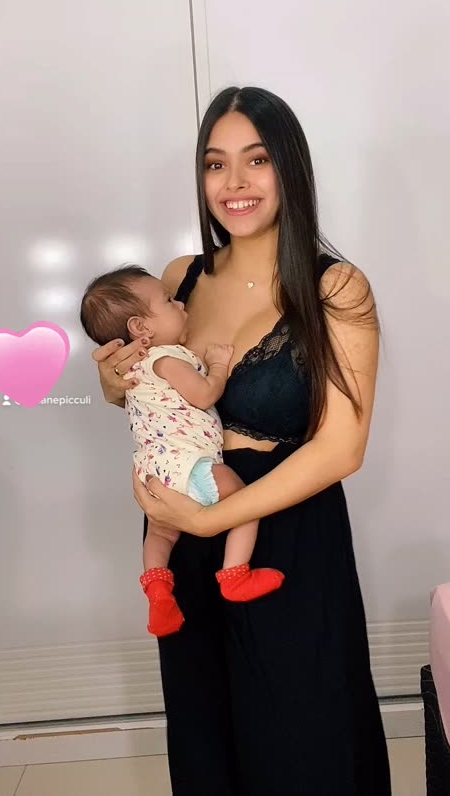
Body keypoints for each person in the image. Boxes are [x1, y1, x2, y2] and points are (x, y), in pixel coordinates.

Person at [93, 85, 391, 795]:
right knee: (208, 734)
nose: (234, 183)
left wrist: (212, 519)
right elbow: (155, 392)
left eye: (257, 160)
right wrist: (112, 384)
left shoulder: (336, 288)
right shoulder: (178, 279)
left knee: (302, 742)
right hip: (186, 528)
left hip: (286, 536)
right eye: (215, 163)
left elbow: (343, 448)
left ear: (289, 168)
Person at [80, 268, 284, 637]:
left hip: (153, 474)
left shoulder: (131, 370)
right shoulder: (166, 359)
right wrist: (218, 366)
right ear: (141, 327)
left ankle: (158, 590)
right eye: (169, 301)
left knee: (161, 535)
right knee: (245, 504)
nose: (180, 305)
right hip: (193, 466)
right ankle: (235, 574)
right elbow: (204, 395)